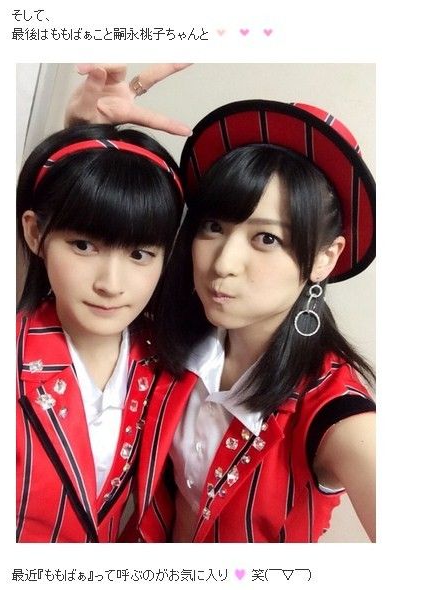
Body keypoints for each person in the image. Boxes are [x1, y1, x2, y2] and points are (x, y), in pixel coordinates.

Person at [64, 66, 376, 542]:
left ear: (324, 258)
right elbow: (75, 267)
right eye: (214, 227)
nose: (223, 263)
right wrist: (86, 137)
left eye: (267, 238)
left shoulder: (336, 413)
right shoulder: (172, 334)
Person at [16, 122, 185, 542]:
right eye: (84, 246)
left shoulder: (165, 361)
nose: (111, 284)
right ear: (36, 233)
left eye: (140, 254)